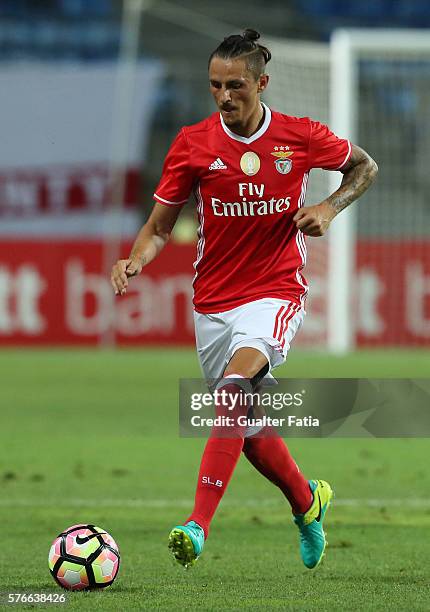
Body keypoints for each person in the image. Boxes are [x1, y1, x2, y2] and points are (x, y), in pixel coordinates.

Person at [111, 28, 378, 570]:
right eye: (215, 85)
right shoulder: (193, 143)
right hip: (212, 302)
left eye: (236, 85)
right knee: (250, 429)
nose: (225, 96)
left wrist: (328, 208)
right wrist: (136, 257)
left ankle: (197, 525)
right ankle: (308, 502)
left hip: (275, 292)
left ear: (262, 82)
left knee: (233, 393)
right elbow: (160, 227)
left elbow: (364, 167)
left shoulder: (299, 136)